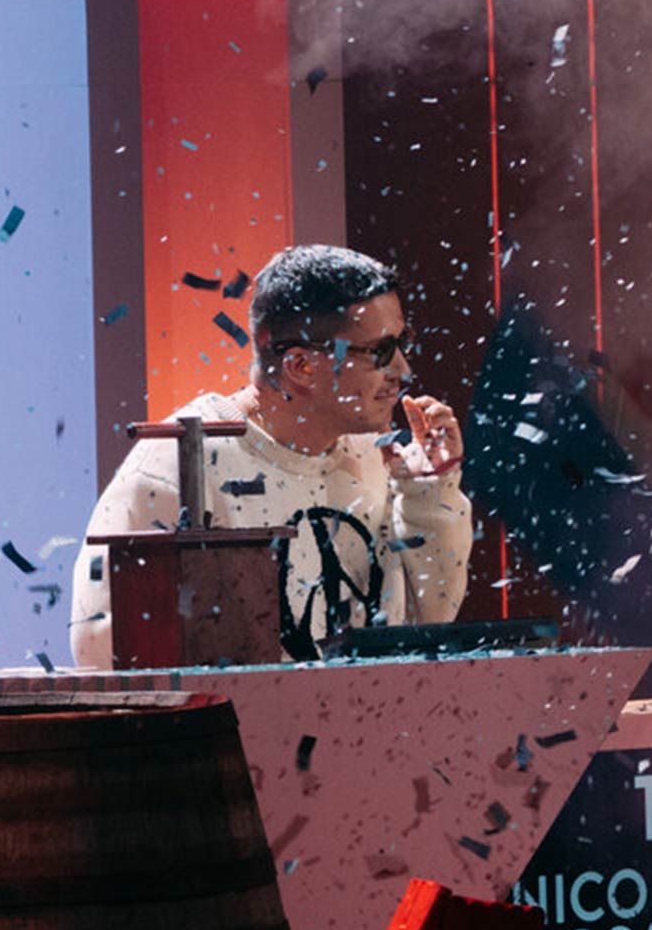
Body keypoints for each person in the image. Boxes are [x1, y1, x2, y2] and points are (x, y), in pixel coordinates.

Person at [69, 244, 473, 667]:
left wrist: (429, 493)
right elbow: (103, 654)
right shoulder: (177, 465)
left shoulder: (375, 455)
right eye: (381, 352)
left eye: (402, 343)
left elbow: (425, 624)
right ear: (300, 366)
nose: (403, 371)